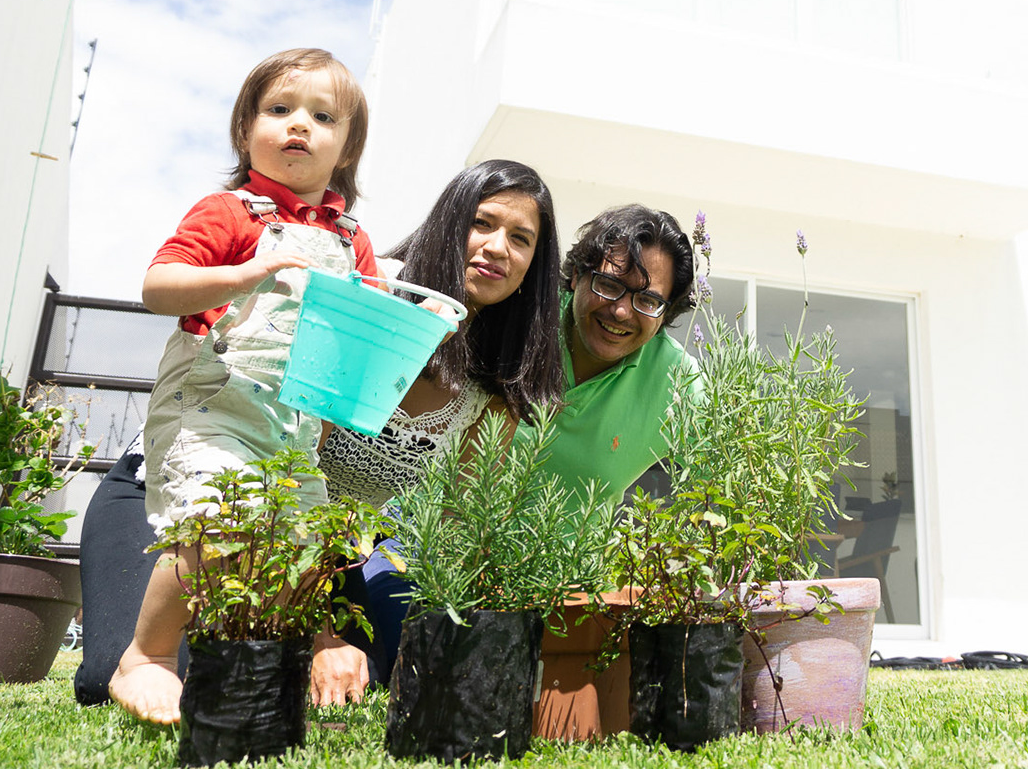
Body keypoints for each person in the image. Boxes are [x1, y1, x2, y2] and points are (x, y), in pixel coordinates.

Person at [105, 47, 378, 725]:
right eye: (280, 109)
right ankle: (147, 656)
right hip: (211, 402)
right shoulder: (231, 211)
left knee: (301, 541)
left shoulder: (352, 239)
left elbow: (361, 337)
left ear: (347, 148)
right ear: (245, 129)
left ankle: (275, 659)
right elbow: (158, 286)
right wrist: (242, 274)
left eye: (323, 117)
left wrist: (408, 324)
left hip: (294, 423)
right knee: (215, 518)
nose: (299, 124)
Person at [310, 159, 564, 700]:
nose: (498, 247)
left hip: (339, 548)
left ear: (533, 267)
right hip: (228, 509)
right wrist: (321, 635)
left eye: (521, 239)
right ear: (449, 223)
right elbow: (289, 463)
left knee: (381, 671)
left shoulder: (498, 380)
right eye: (482, 223)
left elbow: (453, 525)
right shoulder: (378, 292)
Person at [519, 204, 699, 505]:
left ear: (665, 314)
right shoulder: (524, 317)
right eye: (609, 284)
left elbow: (738, 470)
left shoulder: (678, 382)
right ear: (577, 275)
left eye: (648, 300)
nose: (621, 311)